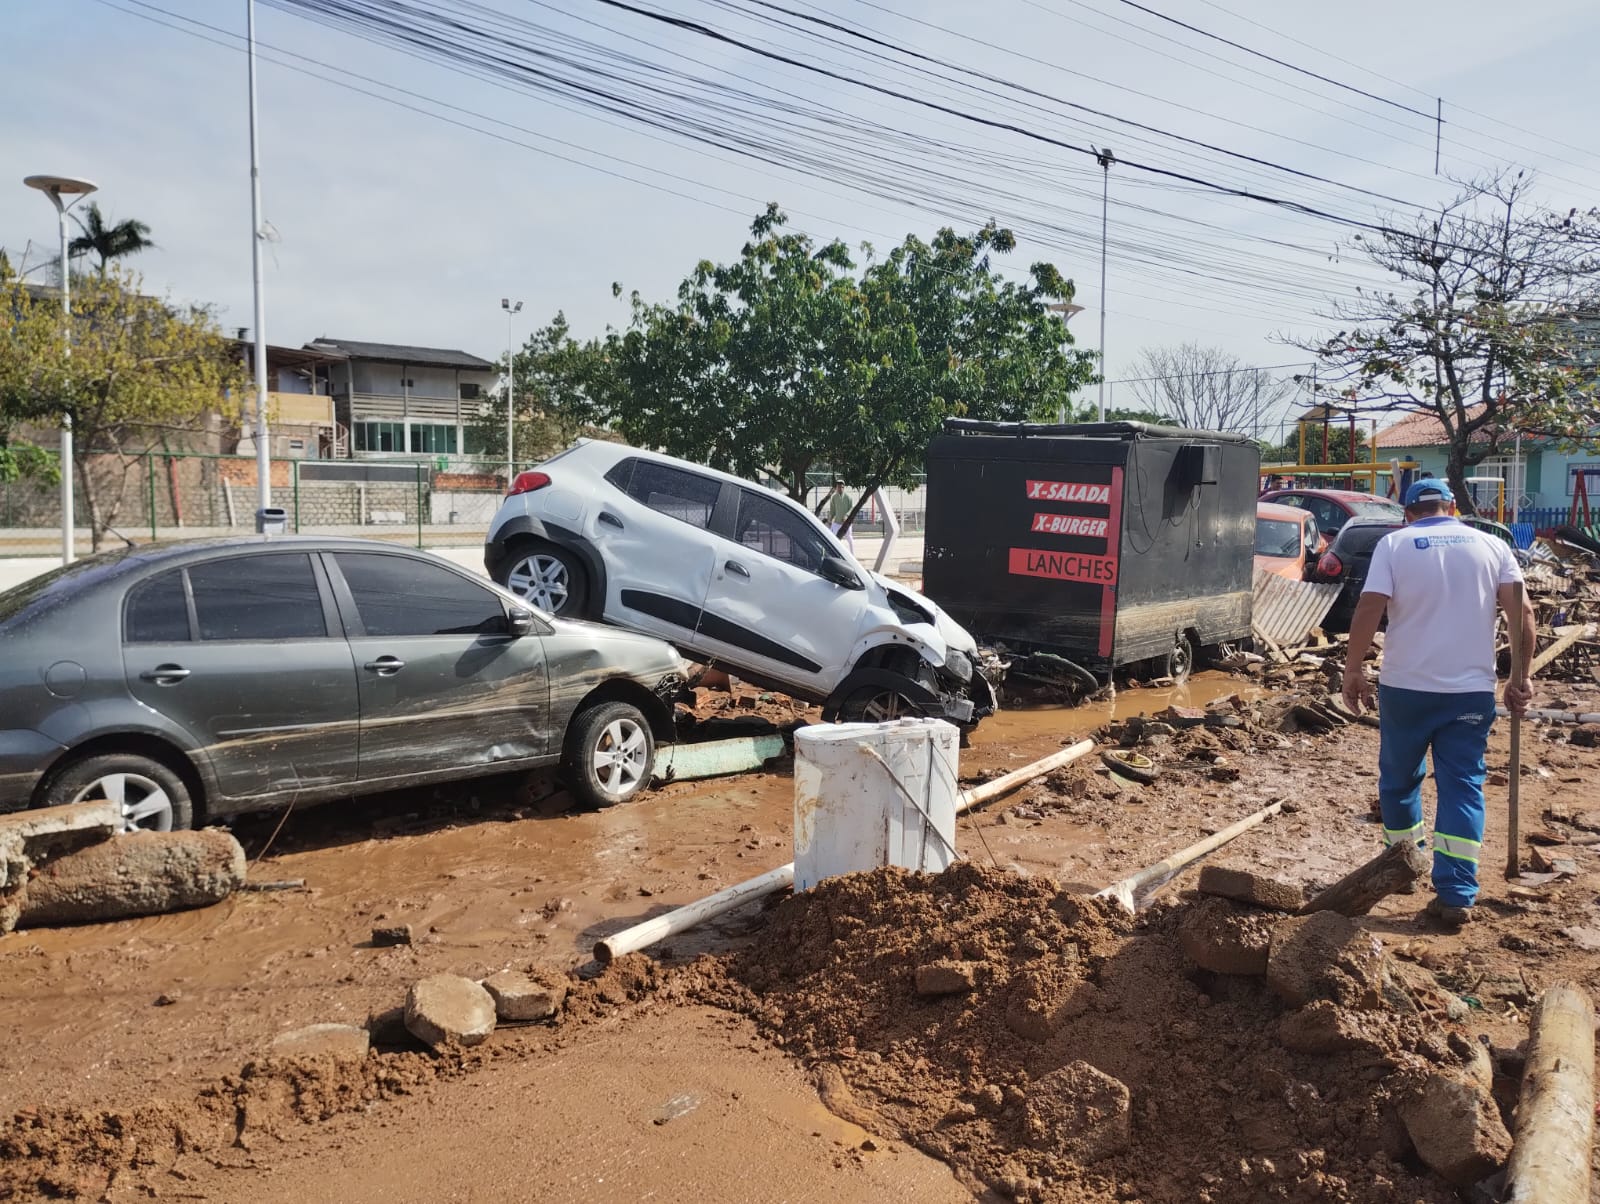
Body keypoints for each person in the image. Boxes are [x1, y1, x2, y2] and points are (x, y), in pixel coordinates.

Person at [1341, 479, 1534, 927]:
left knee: (1399, 780)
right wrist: (1520, 678)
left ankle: (1403, 867)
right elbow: (1521, 611)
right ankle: (1457, 894)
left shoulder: (1395, 544)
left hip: (1406, 688)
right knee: (1463, 785)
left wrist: (1354, 669)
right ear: (1452, 507)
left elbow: (1370, 607)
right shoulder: (1493, 546)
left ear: (1408, 512)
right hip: (1470, 691)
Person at [826, 481, 855, 550]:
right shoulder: (834, 497)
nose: (840, 488)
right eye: (838, 487)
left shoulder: (848, 497)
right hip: (836, 523)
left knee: (850, 539)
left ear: (843, 488)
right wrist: (830, 520)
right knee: (835, 540)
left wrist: (846, 516)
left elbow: (851, 508)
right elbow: (832, 510)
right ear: (836, 487)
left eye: (842, 487)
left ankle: (852, 556)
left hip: (846, 523)